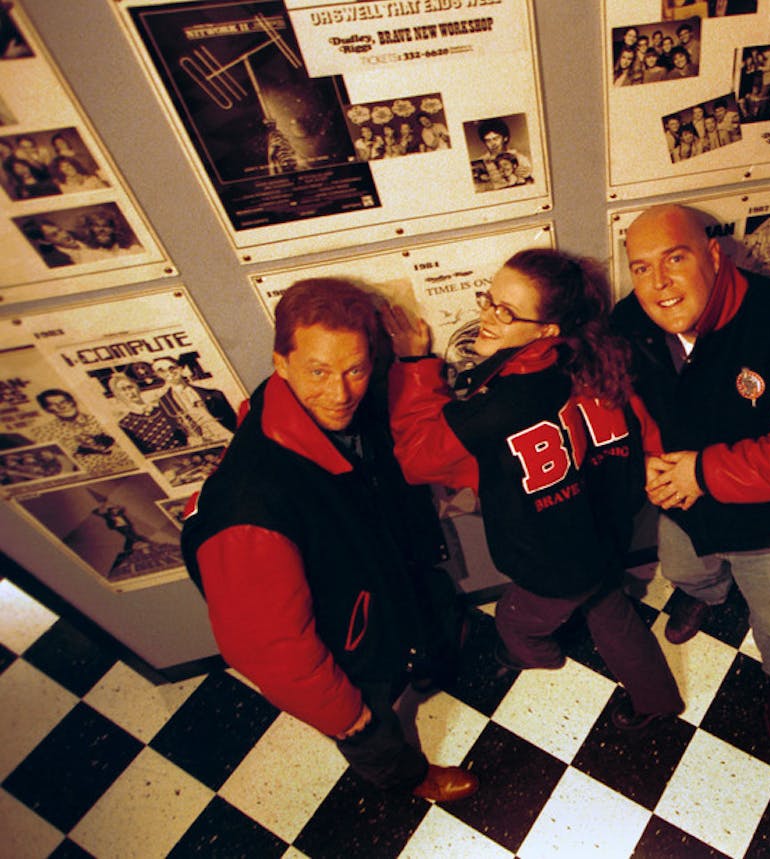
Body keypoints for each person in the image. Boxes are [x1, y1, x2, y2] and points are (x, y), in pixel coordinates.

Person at [180, 279, 476, 803]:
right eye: (318, 371)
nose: (340, 394)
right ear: (282, 363)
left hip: (387, 593)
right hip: (351, 657)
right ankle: (409, 779)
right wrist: (350, 718)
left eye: (355, 369)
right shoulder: (248, 514)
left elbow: (407, 437)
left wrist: (411, 364)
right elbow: (275, 654)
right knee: (373, 733)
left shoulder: (308, 405)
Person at [381, 249, 684, 729]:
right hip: (603, 538)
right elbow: (646, 434)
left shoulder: (498, 407)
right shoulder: (596, 361)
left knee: (516, 621)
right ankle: (659, 700)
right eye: (490, 299)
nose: (486, 315)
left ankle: (538, 655)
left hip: (549, 563)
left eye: (506, 311)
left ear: (546, 331)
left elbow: (417, 460)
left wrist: (417, 363)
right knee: (611, 613)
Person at [612, 205, 770, 742]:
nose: (660, 284)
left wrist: (701, 471)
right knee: (685, 570)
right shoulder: (629, 322)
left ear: (714, 255)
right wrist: (648, 461)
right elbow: (632, 404)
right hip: (682, 506)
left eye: (676, 258)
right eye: (642, 267)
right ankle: (710, 596)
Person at [30, 388, 132, 475]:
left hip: (125, 465)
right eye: (53, 404)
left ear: (72, 401)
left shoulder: (102, 419)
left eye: (64, 401)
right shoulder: (45, 432)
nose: (61, 406)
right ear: (47, 409)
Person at [151, 356, 237, 443]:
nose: (169, 372)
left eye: (172, 368)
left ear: (181, 369)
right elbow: (175, 431)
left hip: (227, 436)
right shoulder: (164, 402)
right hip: (201, 444)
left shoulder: (214, 394)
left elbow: (233, 421)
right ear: (158, 375)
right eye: (161, 370)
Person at [109, 372, 187, 455]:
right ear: (118, 395)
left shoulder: (162, 408)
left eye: (130, 387)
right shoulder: (125, 423)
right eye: (123, 390)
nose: (129, 392)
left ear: (136, 387)